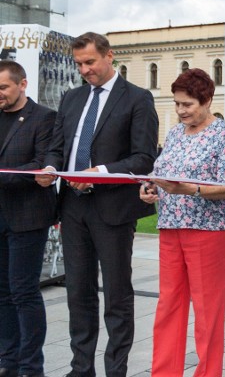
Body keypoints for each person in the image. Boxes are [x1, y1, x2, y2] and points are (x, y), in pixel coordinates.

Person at [35, 32, 158, 377]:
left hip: (113, 210)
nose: (84, 70)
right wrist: (49, 169)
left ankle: (115, 370)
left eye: (90, 62)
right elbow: (57, 148)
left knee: (117, 295)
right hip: (73, 207)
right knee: (78, 292)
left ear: (109, 56)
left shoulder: (137, 98)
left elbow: (144, 157)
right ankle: (80, 369)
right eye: (79, 64)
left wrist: (100, 173)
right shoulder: (72, 98)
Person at [139, 68, 225, 377]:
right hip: (171, 227)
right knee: (168, 305)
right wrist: (149, 189)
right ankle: (164, 372)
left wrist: (191, 189)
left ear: (207, 100)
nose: (181, 111)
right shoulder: (174, 134)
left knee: (208, 311)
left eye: (187, 104)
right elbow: (159, 173)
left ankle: (208, 373)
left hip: (209, 231)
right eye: (177, 104)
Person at [0, 61, 56, 377]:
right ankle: (8, 360)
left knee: (24, 292)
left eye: (3, 88)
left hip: (27, 218)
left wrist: (4, 177)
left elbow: (39, 166)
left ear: (22, 84)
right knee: (2, 292)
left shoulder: (44, 118)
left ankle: (30, 366)